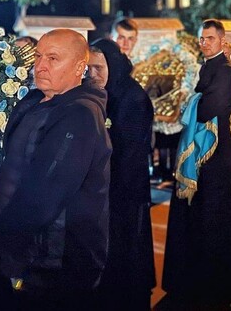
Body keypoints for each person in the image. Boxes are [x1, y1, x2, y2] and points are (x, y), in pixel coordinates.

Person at [0, 29, 112, 310]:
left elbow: (44, 196)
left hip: (54, 267)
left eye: (53, 58)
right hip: (20, 256)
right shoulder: (36, 102)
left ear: (78, 67)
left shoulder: (78, 114)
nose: (40, 65)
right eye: (38, 56)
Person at [161, 19, 231, 308]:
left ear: (222, 41)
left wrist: (191, 100)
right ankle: (192, 280)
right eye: (201, 38)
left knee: (213, 219)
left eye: (210, 38)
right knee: (195, 218)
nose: (205, 43)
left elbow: (208, 108)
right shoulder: (206, 68)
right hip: (199, 153)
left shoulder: (225, 71)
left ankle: (214, 286)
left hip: (215, 156)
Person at [88, 39, 156, 311]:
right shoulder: (98, 94)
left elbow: (129, 153)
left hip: (124, 193)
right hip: (104, 193)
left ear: (113, 66)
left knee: (127, 259)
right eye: (88, 68)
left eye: (98, 67)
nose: (92, 75)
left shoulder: (132, 97)